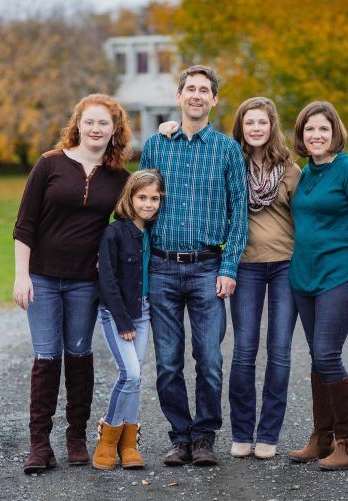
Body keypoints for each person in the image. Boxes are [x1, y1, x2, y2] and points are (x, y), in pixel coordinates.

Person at [159, 97, 300, 460]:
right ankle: (240, 431)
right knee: (244, 351)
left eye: (262, 123)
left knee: (279, 352)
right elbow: (233, 207)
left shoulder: (289, 169)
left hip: (285, 265)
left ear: (272, 127)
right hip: (246, 266)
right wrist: (170, 128)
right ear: (241, 126)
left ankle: (267, 433)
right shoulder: (228, 157)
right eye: (249, 122)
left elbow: (308, 219)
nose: (256, 129)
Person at [12, 94, 131, 474]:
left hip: (85, 282)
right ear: (77, 124)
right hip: (43, 279)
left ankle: (76, 438)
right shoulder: (50, 165)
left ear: (115, 130)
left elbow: (131, 224)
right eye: (89, 122)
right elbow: (25, 223)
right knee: (46, 358)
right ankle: (39, 446)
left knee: (79, 356)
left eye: (104, 124)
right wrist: (21, 274)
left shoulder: (118, 177)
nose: (95, 129)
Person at [139, 65, 248, 467]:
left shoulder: (226, 150)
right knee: (168, 361)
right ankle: (179, 437)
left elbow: (241, 214)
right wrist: (142, 269)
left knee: (209, 359)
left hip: (207, 267)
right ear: (179, 96)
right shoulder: (156, 145)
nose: (197, 95)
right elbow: (140, 206)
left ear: (214, 100)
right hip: (163, 268)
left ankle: (204, 436)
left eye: (205, 90)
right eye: (190, 89)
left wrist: (229, 267)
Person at [287, 101, 348, 470]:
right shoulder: (306, 174)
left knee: (327, 354)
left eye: (323, 129)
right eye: (310, 129)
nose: (316, 135)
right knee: (317, 357)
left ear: (335, 132)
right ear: (302, 135)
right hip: (304, 279)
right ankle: (321, 438)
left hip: (339, 277)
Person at [92, 169, 164, 471]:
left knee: (136, 378)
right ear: (130, 198)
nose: (148, 204)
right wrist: (123, 321)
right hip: (117, 314)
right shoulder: (114, 233)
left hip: (144, 311)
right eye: (142, 197)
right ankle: (107, 437)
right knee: (130, 374)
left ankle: (130, 443)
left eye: (155, 198)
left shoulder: (153, 232)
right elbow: (106, 280)